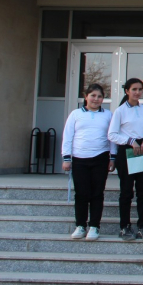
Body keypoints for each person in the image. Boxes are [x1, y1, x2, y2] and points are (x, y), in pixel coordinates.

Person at [62, 83, 115, 241]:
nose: (96, 99)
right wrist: (66, 158)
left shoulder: (108, 115)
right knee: (81, 194)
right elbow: (68, 136)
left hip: (100, 158)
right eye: (93, 96)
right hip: (80, 159)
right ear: (86, 96)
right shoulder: (76, 114)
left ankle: (94, 226)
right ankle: (80, 225)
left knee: (97, 193)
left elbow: (112, 137)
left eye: (99, 96)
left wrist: (113, 157)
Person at [107, 78, 143, 241]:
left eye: (140, 89)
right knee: (127, 191)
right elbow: (112, 134)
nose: (137, 92)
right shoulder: (120, 111)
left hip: (142, 151)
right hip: (127, 151)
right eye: (134, 89)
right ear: (127, 91)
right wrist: (130, 141)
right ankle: (124, 226)